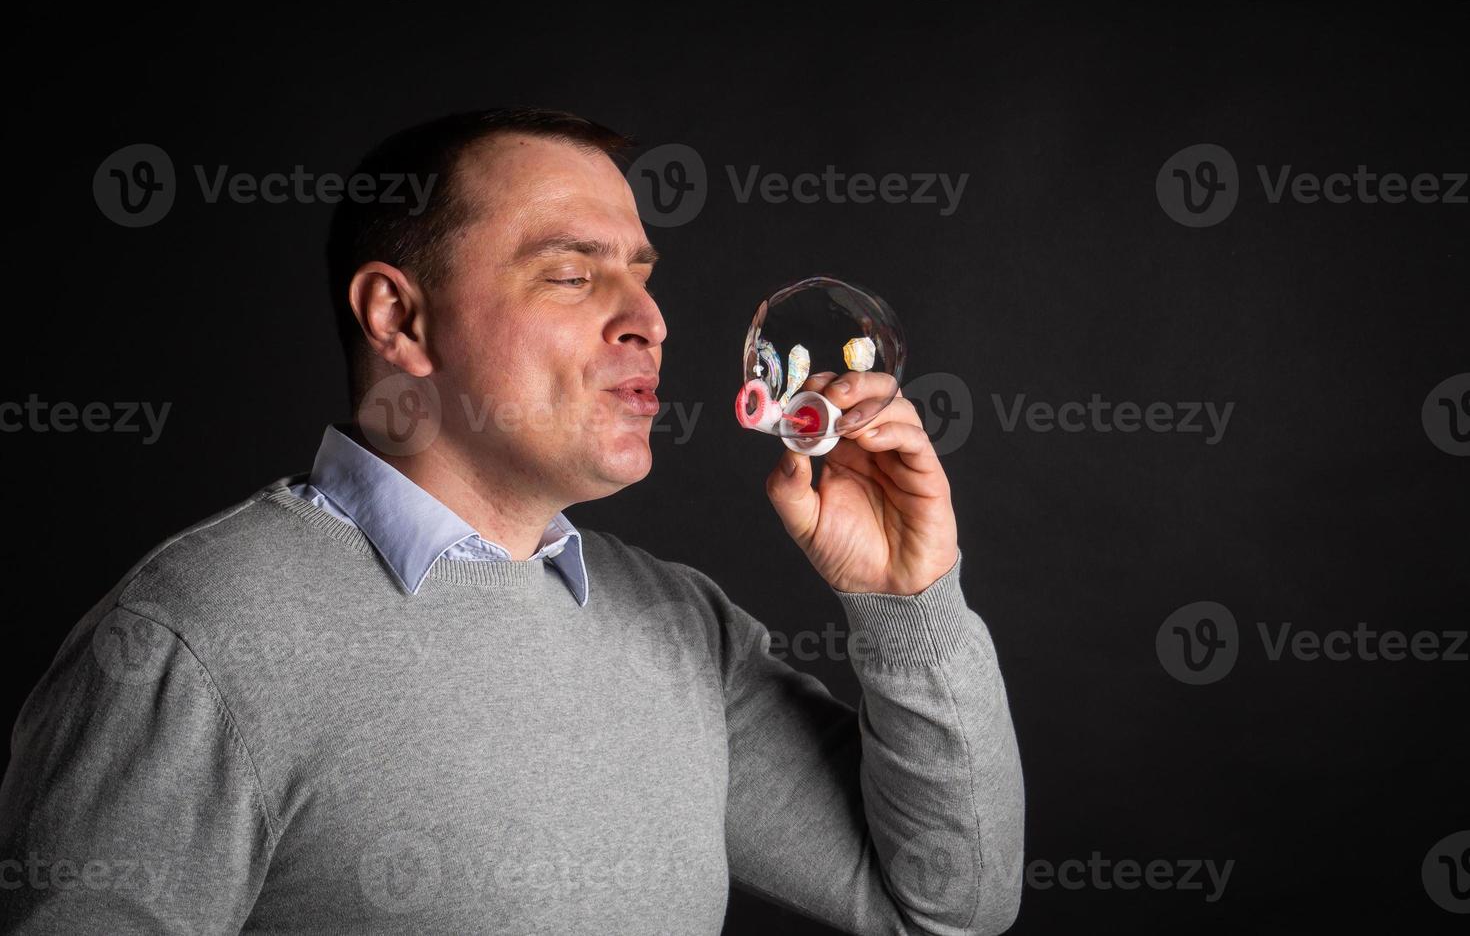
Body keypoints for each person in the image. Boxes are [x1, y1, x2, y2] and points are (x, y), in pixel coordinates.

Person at [0, 108, 1024, 935]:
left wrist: (906, 603)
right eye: (575, 274)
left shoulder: (679, 626)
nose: (650, 321)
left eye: (643, 275)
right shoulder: (194, 639)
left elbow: (943, 902)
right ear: (399, 318)